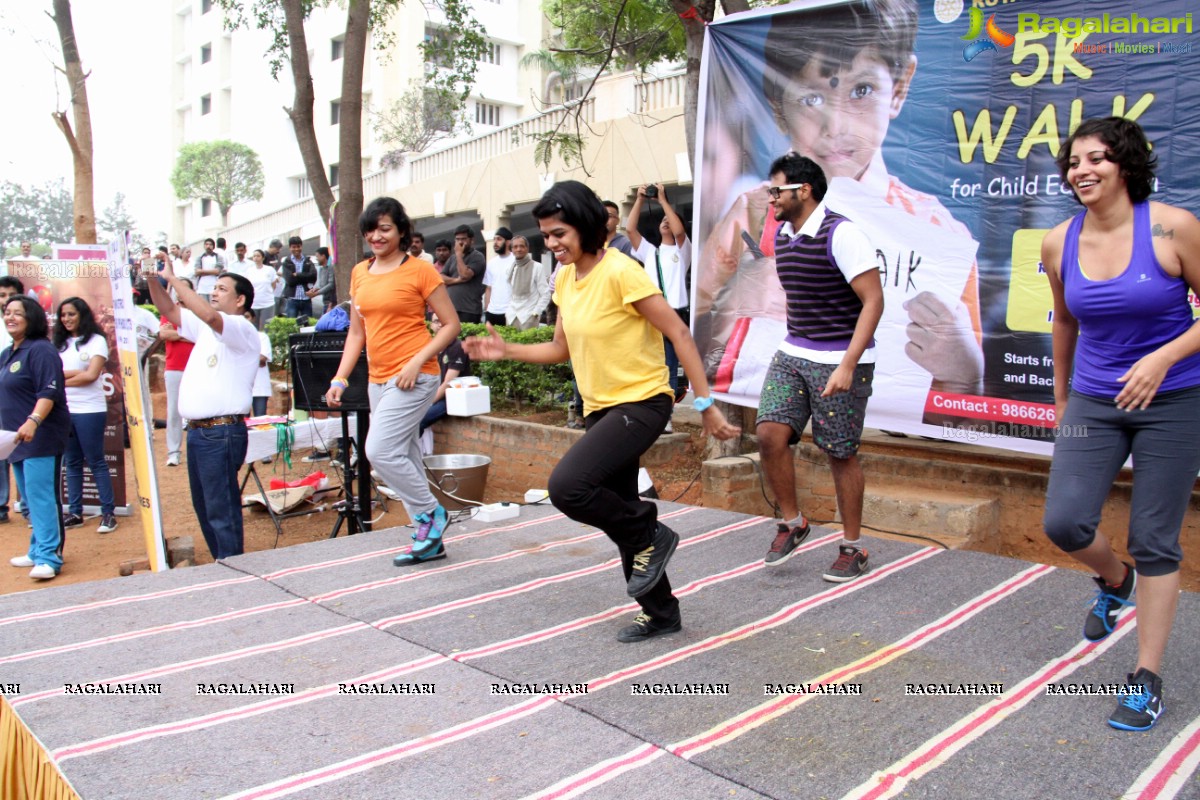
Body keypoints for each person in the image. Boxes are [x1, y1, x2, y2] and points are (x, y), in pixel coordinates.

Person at [465, 180, 739, 643]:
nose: (552, 244)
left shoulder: (622, 271)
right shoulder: (567, 280)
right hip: (601, 408)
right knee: (619, 514)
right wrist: (505, 350)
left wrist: (706, 403)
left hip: (642, 402)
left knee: (568, 488)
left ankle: (653, 530)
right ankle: (661, 612)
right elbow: (559, 350)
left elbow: (680, 334)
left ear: (585, 226)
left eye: (559, 234)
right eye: (546, 236)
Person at [698, 0, 983, 413]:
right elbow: (697, 324)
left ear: (900, 88)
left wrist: (964, 376)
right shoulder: (756, 212)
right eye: (811, 99)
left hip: (879, 435)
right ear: (779, 109)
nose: (837, 126)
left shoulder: (937, 235)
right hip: (781, 418)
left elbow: (962, 421)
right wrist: (734, 304)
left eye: (861, 90)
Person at [1041, 117, 1200, 732]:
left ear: (1127, 165)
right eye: (1074, 162)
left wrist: (1162, 358)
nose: (1082, 170)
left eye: (1097, 159)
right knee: (1064, 520)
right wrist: (1061, 399)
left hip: (1175, 400)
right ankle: (1116, 580)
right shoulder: (1058, 240)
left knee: (1155, 537)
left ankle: (1147, 678)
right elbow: (1063, 322)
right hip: (1093, 404)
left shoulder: (1172, 227)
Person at [755, 153, 883, 583]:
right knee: (770, 434)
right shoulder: (785, 235)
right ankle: (794, 523)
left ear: (803, 191)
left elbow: (874, 301)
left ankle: (853, 546)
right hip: (794, 353)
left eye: (777, 190)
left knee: (839, 453)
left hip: (842, 360)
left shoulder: (842, 234)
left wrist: (848, 365)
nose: (771, 198)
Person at [325, 196, 462, 566]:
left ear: (402, 231)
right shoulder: (359, 273)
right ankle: (430, 540)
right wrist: (340, 377)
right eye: (371, 229)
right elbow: (357, 333)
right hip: (377, 379)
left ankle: (431, 514)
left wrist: (417, 362)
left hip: (414, 378)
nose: (377, 236)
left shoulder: (420, 270)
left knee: (379, 451)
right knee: (406, 453)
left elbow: (451, 325)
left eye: (385, 228)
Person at [147, 260, 260, 560]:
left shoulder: (240, 327)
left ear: (240, 301)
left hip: (221, 432)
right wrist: (151, 280)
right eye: (214, 288)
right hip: (199, 433)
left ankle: (233, 566)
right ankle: (223, 563)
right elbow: (170, 311)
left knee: (221, 508)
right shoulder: (208, 330)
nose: (214, 293)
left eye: (222, 289)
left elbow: (208, 315)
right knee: (206, 506)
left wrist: (173, 277)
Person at [2, 295, 70, 580]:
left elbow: (49, 392)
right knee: (29, 498)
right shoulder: (8, 352)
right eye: (7, 312)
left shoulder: (41, 350)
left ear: (32, 318)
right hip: (14, 438)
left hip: (40, 435)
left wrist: (33, 421)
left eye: (18, 313)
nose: (10, 317)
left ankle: (49, 556)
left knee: (42, 498)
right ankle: (36, 549)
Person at [53, 297, 118, 533]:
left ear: (82, 314)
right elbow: (57, 374)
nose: (66, 319)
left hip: (90, 410)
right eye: (63, 315)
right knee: (71, 462)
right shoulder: (59, 343)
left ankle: (108, 513)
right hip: (65, 409)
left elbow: (91, 376)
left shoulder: (96, 341)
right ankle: (76, 512)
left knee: (96, 460)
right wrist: (71, 375)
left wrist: (61, 377)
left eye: (71, 314)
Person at [627, 183, 692, 410]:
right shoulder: (650, 252)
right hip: (652, 315)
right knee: (653, 363)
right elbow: (631, 230)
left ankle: (667, 415)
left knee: (670, 365)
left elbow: (680, 232)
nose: (666, 221)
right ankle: (654, 408)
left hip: (674, 314)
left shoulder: (683, 252)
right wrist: (639, 200)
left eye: (671, 219)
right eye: (663, 218)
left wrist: (664, 201)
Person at [158, 279, 196, 467]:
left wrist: (178, 332)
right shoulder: (170, 311)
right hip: (174, 367)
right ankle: (173, 451)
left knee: (197, 410)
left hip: (196, 366)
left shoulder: (199, 311)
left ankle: (195, 451)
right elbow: (164, 334)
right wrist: (189, 333)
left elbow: (204, 335)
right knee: (174, 411)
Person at [0, 276, 25, 523]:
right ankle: (0, 505)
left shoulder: (30, 331)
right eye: (1, 295)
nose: (5, 300)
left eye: (10, 294)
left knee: (21, 452)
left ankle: (28, 506)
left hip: (20, 402)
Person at [420, 313, 471, 435]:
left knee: (419, 420)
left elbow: (448, 383)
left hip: (450, 397)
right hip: (433, 394)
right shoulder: (432, 345)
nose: (439, 325)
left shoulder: (457, 347)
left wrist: (429, 402)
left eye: (442, 321)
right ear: (431, 325)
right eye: (436, 322)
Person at [440, 225, 487, 323]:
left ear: (472, 240)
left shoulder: (477, 257)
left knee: (467, 338)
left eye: (464, 239)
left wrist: (458, 255)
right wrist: (457, 280)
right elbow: (441, 277)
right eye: (457, 239)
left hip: (469, 310)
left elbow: (465, 275)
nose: (460, 242)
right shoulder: (452, 258)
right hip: (451, 309)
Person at [505, 235, 551, 331]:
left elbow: (546, 293)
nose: (519, 249)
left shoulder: (537, 267)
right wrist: (507, 310)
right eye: (515, 247)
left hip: (528, 316)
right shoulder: (510, 268)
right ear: (512, 250)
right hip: (512, 316)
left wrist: (536, 312)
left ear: (527, 248)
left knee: (529, 345)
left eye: (522, 246)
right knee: (511, 345)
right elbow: (509, 292)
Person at [483, 227, 514, 327]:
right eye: (495, 239)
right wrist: (487, 310)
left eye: (499, 239)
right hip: (492, 312)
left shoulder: (516, 261)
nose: (495, 242)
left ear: (508, 242)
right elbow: (488, 288)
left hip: (510, 311)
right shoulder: (491, 263)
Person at [245, 310, 273, 418]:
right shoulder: (234, 337)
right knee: (242, 423)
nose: (244, 319)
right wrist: (255, 357)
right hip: (242, 388)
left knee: (261, 422)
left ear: (253, 318)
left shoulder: (262, 337)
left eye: (247, 316)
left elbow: (262, 359)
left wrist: (242, 358)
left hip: (260, 387)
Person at [282, 236, 317, 319]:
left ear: (301, 246)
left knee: (308, 325)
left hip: (306, 298)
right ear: (290, 248)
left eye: (298, 246)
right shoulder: (287, 262)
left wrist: (297, 275)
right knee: (291, 325)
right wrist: (305, 277)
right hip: (292, 299)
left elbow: (313, 277)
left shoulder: (308, 261)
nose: (296, 249)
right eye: (294, 247)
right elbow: (290, 280)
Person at [246, 249, 280, 329]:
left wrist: (267, 293)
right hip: (253, 304)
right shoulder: (249, 271)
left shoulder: (269, 270)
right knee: (254, 327)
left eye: (258, 256)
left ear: (263, 258)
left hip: (267, 303)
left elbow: (273, 284)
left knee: (267, 327)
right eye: (254, 256)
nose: (256, 258)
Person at [308, 246, 337, 314]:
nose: (317, 259)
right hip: (325, 301)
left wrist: (316, 293)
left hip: (331, 302)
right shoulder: (321, 269)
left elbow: (331, 285)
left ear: (323, 256)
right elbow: (322, 284)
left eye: (317, 256)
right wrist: (314, 289)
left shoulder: (331, 268)